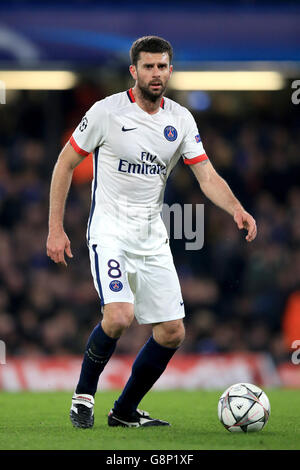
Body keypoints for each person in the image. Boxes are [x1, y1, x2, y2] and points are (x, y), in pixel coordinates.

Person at [46, 36, 257, 428]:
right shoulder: (106, 112)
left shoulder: (180, 120)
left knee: (173, 331)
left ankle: (124, 411)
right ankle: (83, 397)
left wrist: (236, 208)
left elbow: (206, 175)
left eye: (162, 67)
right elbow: (65, 163)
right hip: (109, 233)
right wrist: (55, 228)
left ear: (170, 70)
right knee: (120, 316)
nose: (156, 73)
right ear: (134, 71)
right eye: (148, 66)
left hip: (152, 237)